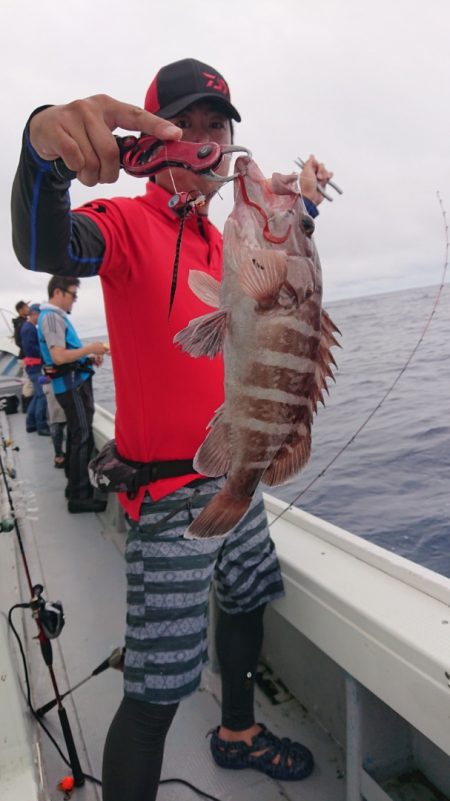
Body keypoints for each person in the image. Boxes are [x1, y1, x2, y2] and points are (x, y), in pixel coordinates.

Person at [11, 58, 333, 801]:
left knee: (248, 601)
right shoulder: (122, 224)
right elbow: (45, 247)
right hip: (166, 504)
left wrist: (306, 204)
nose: (200, 140)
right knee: (156, 694)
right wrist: (43, 154)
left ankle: (238, 730)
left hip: (241, 476)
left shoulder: (232, 243)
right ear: (148, 138)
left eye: (213, 126)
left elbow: (283, 277)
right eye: (181, 125)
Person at [37, 276, 108, 513]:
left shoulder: (53, 318)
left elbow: (65, 354)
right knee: (82, 437)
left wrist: (87, 357)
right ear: (58, 292)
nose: (74, 300)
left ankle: (73, 486)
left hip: (71, 384)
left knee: (78, 435)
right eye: (73, 295)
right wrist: (90, 348)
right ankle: (79, 496)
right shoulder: (52, 318)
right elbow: (58, 357)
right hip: (73, 387)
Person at [19, 302, 50, 436]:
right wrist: (46, 352)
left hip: (32, 367)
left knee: (37, 396)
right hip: (35, 367)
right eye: (40, 315)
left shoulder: (29, 327)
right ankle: (41, 426)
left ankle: (30, 424)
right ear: (35, 314)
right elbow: (31, 349)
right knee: (42, 395)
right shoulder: (29, 329)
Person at [12, 299, 33, 411]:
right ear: (20, 310)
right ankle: (26, 406)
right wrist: (28, 350)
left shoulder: (24, 321)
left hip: (26, 356)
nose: (28, 309)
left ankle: (28, 405)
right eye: (26, 307)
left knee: (29, 381)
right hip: (25, 357)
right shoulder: (21, 323)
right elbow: (18, 341)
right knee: (28, 382)